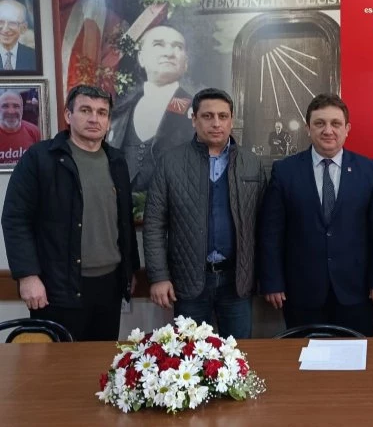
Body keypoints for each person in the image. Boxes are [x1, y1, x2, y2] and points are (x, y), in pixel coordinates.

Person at [1, 85, 139, 341]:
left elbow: (124, 221)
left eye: (101, 112)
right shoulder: (40, 158)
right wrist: (27, 276)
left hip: (109, 285)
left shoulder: (117, 160)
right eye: (85, 110)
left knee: (101, 360)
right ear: (68, 115)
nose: (94, 119)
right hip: (57, 287)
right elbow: (15, 219)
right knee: (58, 362)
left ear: (109, 120)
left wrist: (130, 269)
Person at [258, 94, 373, 337]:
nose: (328, 130)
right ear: (308, 128)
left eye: (335, 123)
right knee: (304, 357)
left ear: (347, 129)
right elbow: (271, 232)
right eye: (320, 123)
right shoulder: (285, 171)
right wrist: (272, 282)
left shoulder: (368, 170)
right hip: (301, 292)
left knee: (354, 357)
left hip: (357, 292)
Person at [144, 88, 266, 339]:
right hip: (189, 282)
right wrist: (158, 276)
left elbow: (265, 225)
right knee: (190, 355)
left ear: (232, 120)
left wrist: (267, 277)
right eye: (208, 116)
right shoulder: (170, 162)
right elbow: (154, 224)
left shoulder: (251, 163)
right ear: (194, 119)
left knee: (238, 354)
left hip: (237, 283)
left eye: (223, 116)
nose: (216, 123)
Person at [108, 25, 194, 193]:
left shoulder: (197, 113)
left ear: (186, 63)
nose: (169, 53)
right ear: (141, 58)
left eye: (178, 47)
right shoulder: (120, 112)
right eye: (158, 44)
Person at [0, 90, 40, 164]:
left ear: (22, 109)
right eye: (5, 106)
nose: (11, 111)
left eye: (16, 106)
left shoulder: (34, 131)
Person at [0, 0, 36, 71]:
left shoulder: (33, 56)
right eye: (1, 22)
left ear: (24, 28)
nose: (5, 29)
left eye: (12, 23)